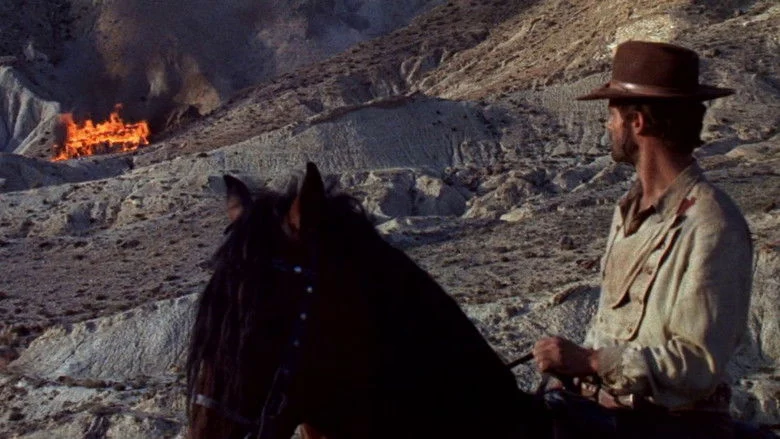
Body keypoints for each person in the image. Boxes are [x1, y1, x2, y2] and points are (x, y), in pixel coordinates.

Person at [532, 40, 754, 438]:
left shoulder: (713, 222)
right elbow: (610, 328)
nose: (608, 126)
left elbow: (697, 364)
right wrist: (575, 370)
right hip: (610, 418)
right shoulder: (626, 213)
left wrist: (592, 362)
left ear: (637, 123)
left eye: (612, 116)